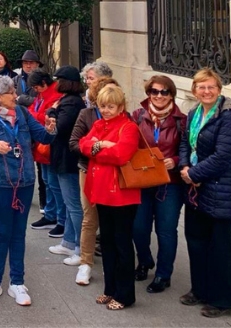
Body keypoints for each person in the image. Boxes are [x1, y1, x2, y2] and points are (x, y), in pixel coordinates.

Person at [0, 76, 56, 306]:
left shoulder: (23, 115)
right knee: (2, 232)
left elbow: (42, 136)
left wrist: (50, 129)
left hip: (25, 181)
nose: (15, 96)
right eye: (9, 93)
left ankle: (17, 282)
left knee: (19, 233)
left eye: (14, 91)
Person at [178, 68, 231, 318]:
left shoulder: (229, 117)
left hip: (221, 190)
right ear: (194, 90)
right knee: (197, 241)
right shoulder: (194, 113)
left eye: (211, 87)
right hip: (196, 188)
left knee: (220, 246)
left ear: (219, 89)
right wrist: (185, 167)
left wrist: (194, 174)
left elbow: (224, 155)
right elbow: (185, 142)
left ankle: (224, 299)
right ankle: (201, 289)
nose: (206, 92)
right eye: (201, 87)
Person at [79, 85, 140, 310]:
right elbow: (84, 145)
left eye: (110, 106)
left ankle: (125, 295)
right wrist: (101, 145)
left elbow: (121, 154)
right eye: (102, 106)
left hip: (123, 195)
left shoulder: (128, 127)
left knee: (122, 244)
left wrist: (98, 148)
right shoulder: (98, 124)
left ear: (121, 106)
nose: (105, 110)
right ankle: (110, 289)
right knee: (107, 242)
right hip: (102, 192)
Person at [131, 75, 187, 293]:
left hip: (169, 182)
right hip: (143, 180)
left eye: (164, 92)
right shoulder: (137, 116)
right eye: (154, 91)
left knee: (166, 230)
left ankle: (164, 274)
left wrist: (176, 161)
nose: (159, 96)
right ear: (148, 94)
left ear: (171, 94)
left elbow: (187, 150)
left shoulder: (181, 120)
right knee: (139, 227)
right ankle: (144, 261)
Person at [69, 76, 119, 286]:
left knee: (114, 219)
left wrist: (97, 146)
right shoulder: (87, 115)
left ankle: (116, 261)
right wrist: (98, 147)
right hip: (88, 171)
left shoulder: (126, 120)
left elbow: (125, 149)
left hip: (116, 174)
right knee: (90, 217)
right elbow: (75, 143)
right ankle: (86, 262)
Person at [44, 66, 86, 267]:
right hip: (63, 158)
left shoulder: (71, 103)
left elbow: (60, 127)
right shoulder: (70, 101)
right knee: (70, 205)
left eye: (59, 79)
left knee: (74, 205)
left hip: (67, 160)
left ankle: (79, 247)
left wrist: (52, 111)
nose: (56, 83)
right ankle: (69, 241)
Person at [27, 69, 65, 238]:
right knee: (47, 181)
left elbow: (46, 117)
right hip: (42, 143)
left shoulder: (54, 95)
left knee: (53, 183)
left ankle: (58, 216)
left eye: (36, 86)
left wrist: (31, 114)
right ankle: (51, 214)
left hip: (49, 144)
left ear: (43, 83)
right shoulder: (43, 94)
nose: (35, 90)